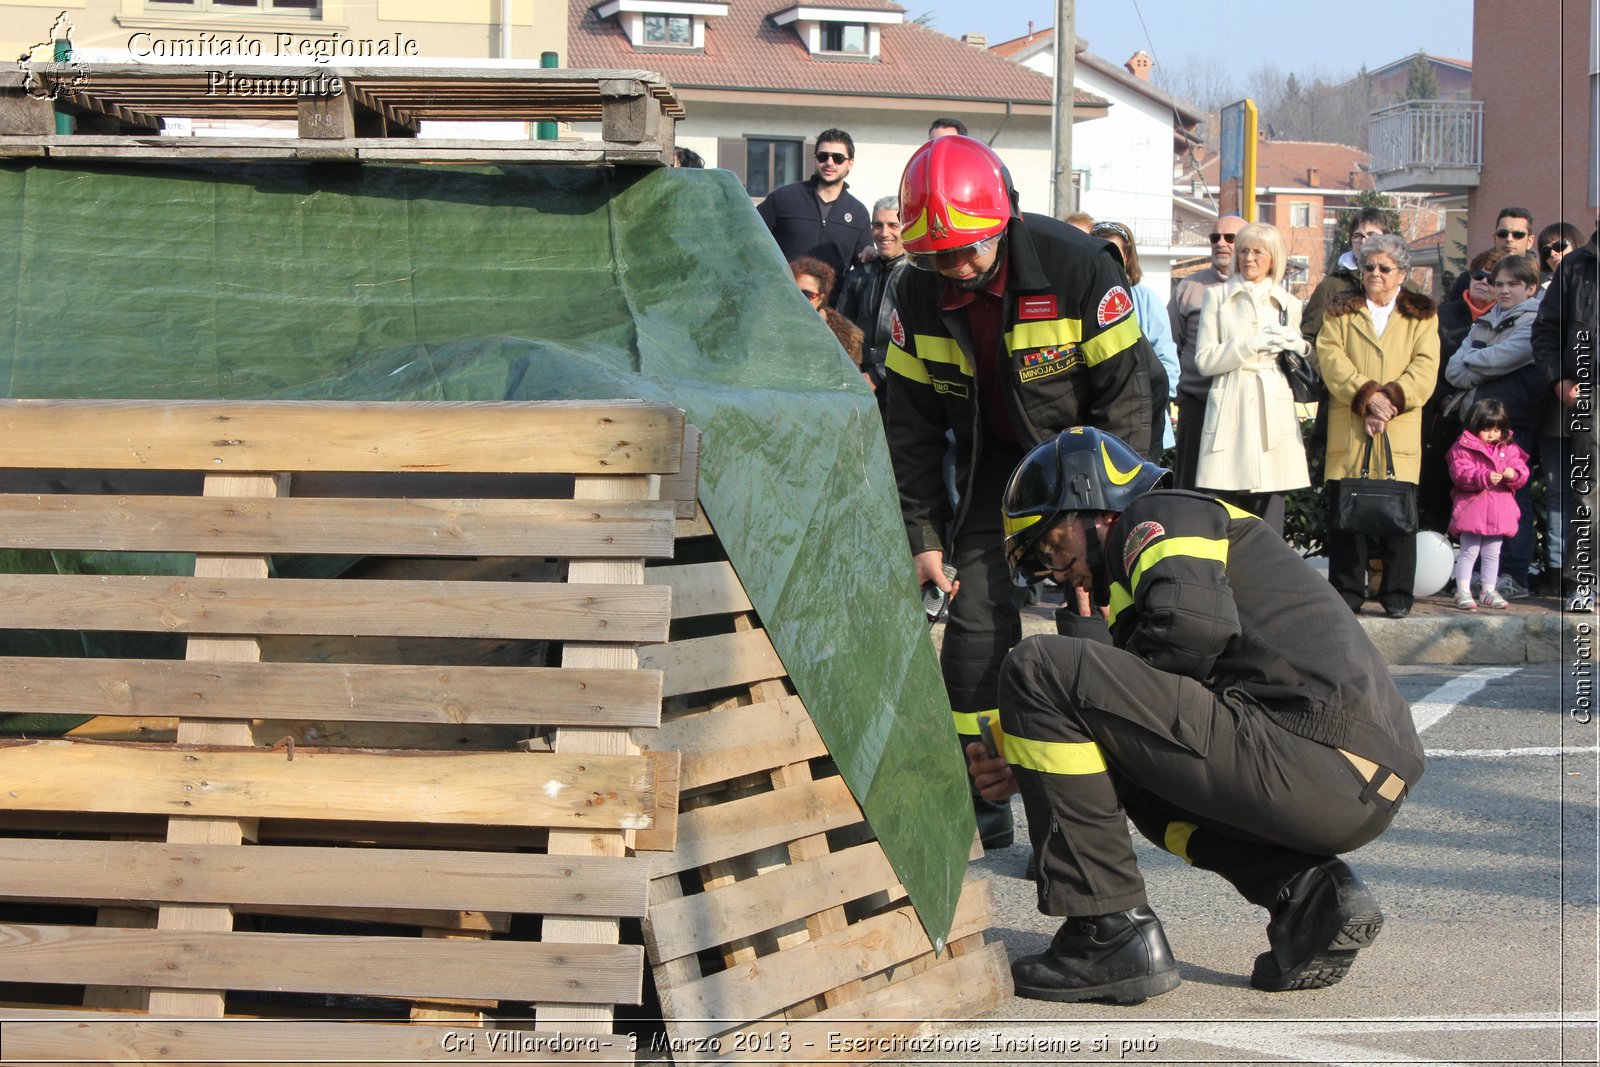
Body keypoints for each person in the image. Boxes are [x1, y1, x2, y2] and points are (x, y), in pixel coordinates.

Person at [967, 426, 1419, 1003]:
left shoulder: (1159, 511)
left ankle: (1107, 934)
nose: (1056, 572)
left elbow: (1190, 631)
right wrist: (1028, 754)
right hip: (1342, 778)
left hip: (1313, 754)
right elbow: (1144, 699)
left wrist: (1071, 702)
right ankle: (1310, 894)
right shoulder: (1149, 567)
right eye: (1042, 562)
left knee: (1035, 666)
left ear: (1094, 505)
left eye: (1055, 546)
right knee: (1142, 784)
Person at [884, 134, 1155, 851]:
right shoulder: (915, 291)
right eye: (934, 255)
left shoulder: (1079, 269)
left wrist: (1110, 524)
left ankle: (1073, 822)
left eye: (967, 250)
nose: (954, 268)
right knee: (972, 624)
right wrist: (924, 538)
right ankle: (982, 788)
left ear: (1004, 220)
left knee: (1090, 627)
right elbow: (908, 431)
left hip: (1084, 472)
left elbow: (1129, 403)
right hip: (986, 473)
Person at [1317, 233, 1439, 618]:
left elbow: (1425, 366)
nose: (1375, 273)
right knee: (1348, 514)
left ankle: (1397, 594)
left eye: (1385, 268)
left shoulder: (1422, 313)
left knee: (1398, 515)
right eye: (1369, 266)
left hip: (1397, 426)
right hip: (1352, 423)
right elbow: (1331, 358)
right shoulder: (1339, 309)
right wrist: (1367, 396)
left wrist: (1389, 401)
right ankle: (1348, 592)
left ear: (1402, 273)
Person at [1191, 222, 1311, 535]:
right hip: (1231, 396)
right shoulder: (1216, 297)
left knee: (1271, 499)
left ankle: (1266, 576)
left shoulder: (1289, 303)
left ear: (1274, 257)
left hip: (1272, 402)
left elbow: (1299, 359)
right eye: (1243, 251)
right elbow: (1204, 360)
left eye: (1258, 252)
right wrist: (1251, 344)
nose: (1249, 258)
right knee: (1223, 498)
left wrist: (1298, 346)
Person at [1442, 254, 1545, 600]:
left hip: (1514, 423)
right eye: (1498, 283)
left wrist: (1474, 362)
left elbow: (1508, 357)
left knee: (1513, 498)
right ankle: (1482, 576)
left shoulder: (1537, 320)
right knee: (1476, 496)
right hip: (1478, 423)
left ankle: (1514, 574)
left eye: (1512, 284)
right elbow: (1454, 369)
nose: (1502, 290)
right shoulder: (1486, 320)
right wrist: (1477, 364)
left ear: (1530, 288)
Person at [1533, 227, 1598, 607]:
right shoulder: (1574, 267)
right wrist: (1559, 378)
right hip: (1589, 391)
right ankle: (1585, 582)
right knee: (1588, 490)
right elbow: (1546, 331)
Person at [1420, 249, 1505, 531]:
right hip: (1439, 417)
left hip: (1484, 423)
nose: (1482, 281)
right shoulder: (1440, 315)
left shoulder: (1505, 320)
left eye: (1491, 279)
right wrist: (1443, 396)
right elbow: (1426, 363)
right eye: (1477, 275)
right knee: (1433, 497)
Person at [1169, 215, 1246, 489]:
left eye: (1230, 238)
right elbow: (1171, 345)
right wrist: (1180, 395)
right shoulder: (1188, 289)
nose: (1221, 244)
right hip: (1197, 403)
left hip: (1241, 407)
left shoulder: (1257, 290)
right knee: (1190, 488)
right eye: (1215, 238)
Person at [1091, 220, 1179, 453]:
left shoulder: (1146, 299)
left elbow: (1168, 365)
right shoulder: (1080, 299)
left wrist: (1143, 405)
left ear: (1128, 258)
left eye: (1113, 253)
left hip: (1143, 427)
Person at [756, 128, 872, 295]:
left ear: (850, 163)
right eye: (823, 156)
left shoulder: (858, 213)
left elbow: (864, 265)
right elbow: (750, 236)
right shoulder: (784, 198)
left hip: (829, 310)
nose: (829, 163)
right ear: (815, 159)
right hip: (781, 301)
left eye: (838, 158)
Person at [1447, 399, 1530, 611]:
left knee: (1493, 552)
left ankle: (1488, 590)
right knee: (1469, 550)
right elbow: (1459, 473)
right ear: (1475, 426)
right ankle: (1463, 590)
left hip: (1499, 511)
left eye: (1496, 430)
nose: (1492, 435)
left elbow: (1522, 470)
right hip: (1472, 510)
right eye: (1487, 430)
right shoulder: (1463, 447)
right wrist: (1483, 476)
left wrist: (1515, 474)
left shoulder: (1509, 448)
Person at [835, 195, 910, 412]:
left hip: (900, 383)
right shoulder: (859, 274)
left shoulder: (918, 276)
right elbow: (842, 326)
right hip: (859, 382)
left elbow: (917, 336)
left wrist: (878, 374)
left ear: (905, 228)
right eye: (878, 225)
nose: (884, 233)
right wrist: (854, 368)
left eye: (893, 225)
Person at [1443, 207, 1535, 302]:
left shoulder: (1542, 280)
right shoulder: (1471, 278)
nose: (1509, 239)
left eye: (1518, 234)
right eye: (1502, 233)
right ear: (1495, 238)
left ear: (1530, 241)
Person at [1537, 222, 1583, 287]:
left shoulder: (1594, 280)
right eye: (1546, 251)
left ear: (1575, 244)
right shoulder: (1542, 292)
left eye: (1558, 246)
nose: (1552, 254)